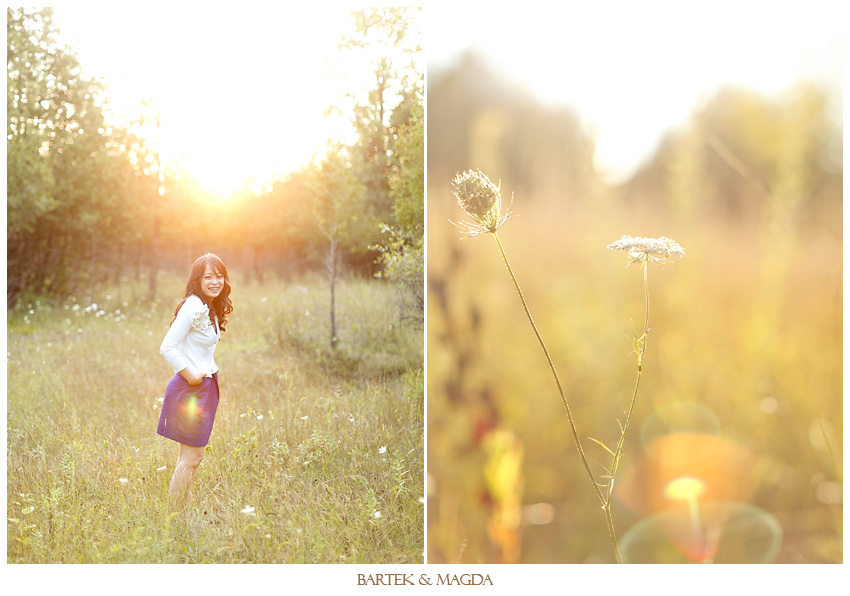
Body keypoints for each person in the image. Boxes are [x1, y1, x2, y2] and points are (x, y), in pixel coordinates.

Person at [157, 253, 233, 511]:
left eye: (219, 276)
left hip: (204, 386)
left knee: (187, 459)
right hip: (191, 388)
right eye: (208, 277)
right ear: (197, 279)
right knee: (193, 458)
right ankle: (174, 519)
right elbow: (168, 346)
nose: (215, 281)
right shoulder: (193, 305)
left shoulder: (207, 306)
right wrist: (191, 376)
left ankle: (182, 516)